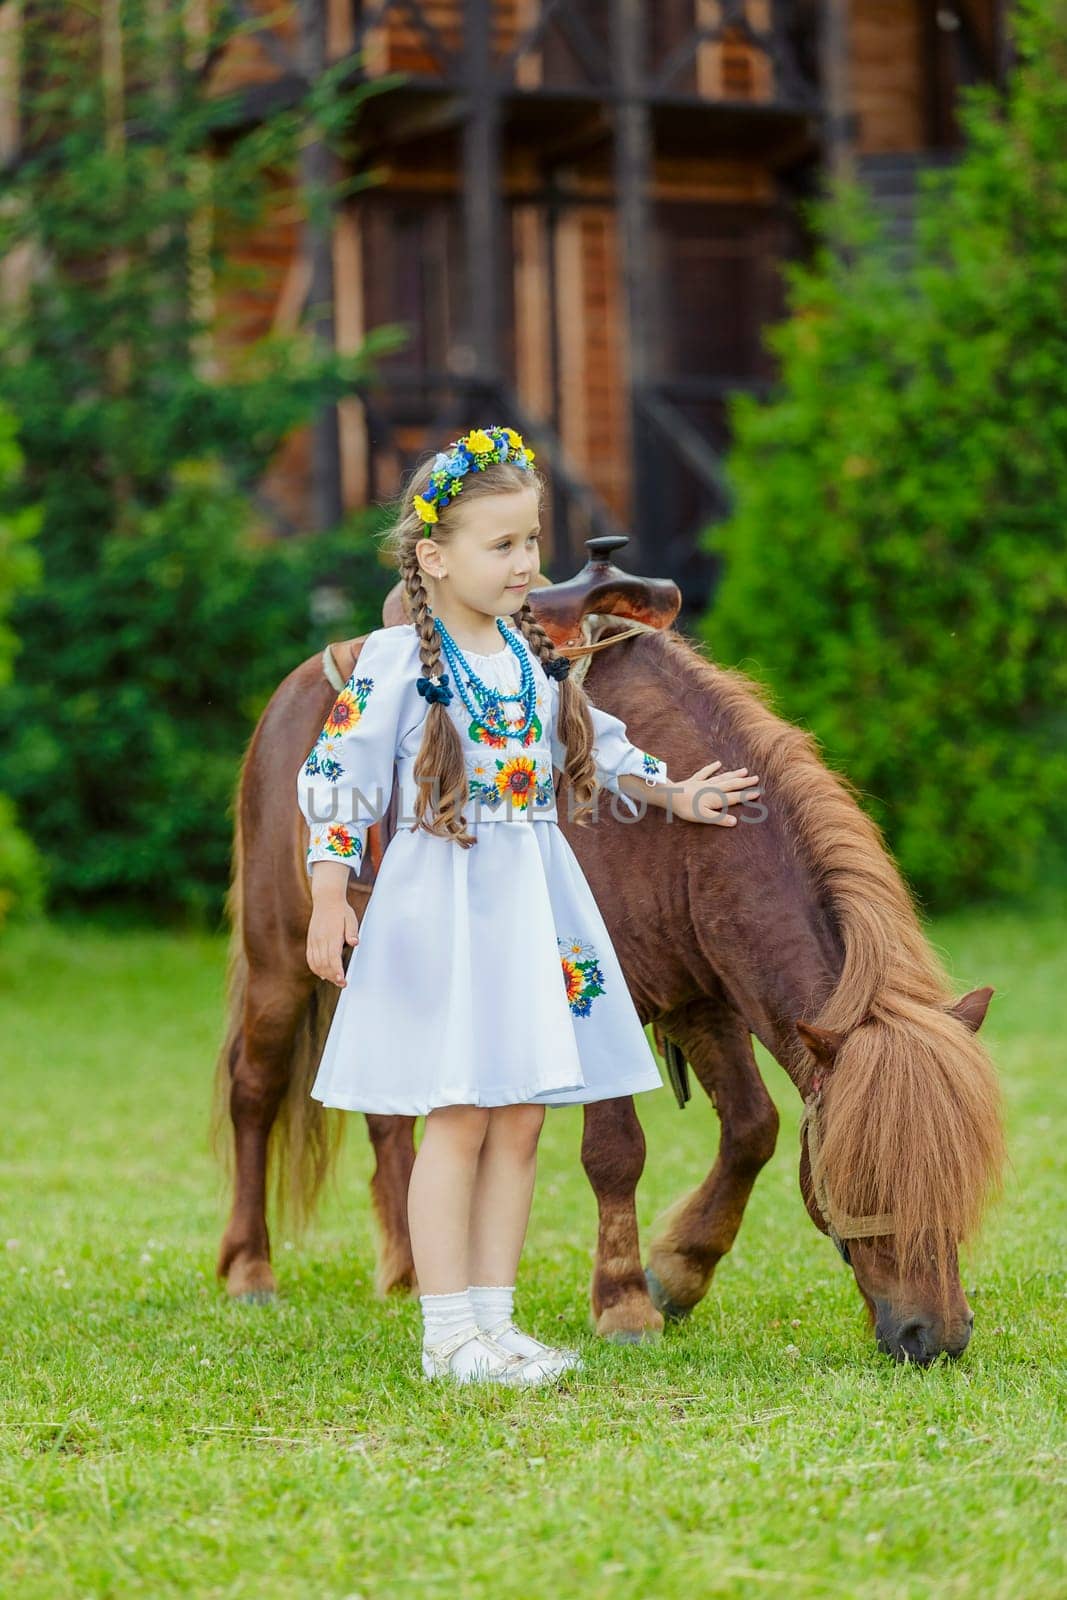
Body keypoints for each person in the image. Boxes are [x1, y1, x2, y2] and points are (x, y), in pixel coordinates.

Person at [296, 425, 760, 1387]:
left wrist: (676, 793)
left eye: (531, 542)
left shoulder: (524, 654)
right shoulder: (394, 660)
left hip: (531, 899)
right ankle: (446, 1335)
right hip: (446, 905)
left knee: (520, 1118)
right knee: (457, 1114)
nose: (525, 565)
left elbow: (594, 740)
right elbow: (335, 775)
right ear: (434, 557)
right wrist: (328, 896)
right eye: (502, 546)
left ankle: (496, 1328)